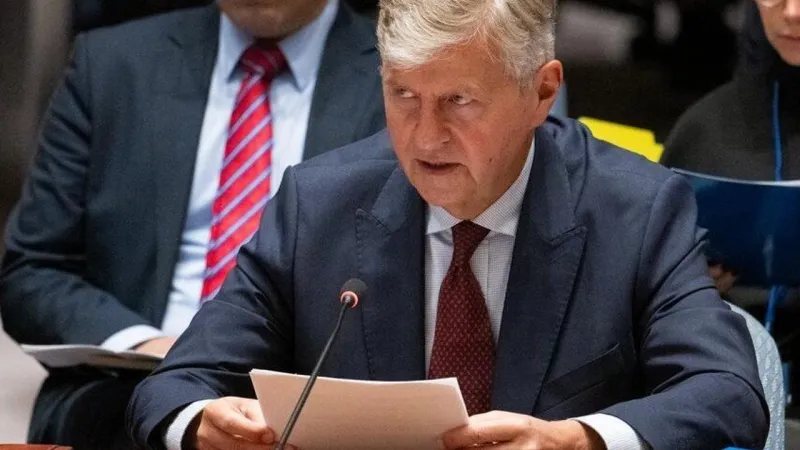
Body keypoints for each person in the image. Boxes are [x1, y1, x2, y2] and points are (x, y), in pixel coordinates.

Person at [128, 0, 768, 449]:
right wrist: (201, 421)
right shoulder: (317, 204)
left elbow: (728, 390)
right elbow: (175, 385)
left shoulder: (635, 209)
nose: (425, 137)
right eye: (403, 95)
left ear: (542, 93)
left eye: (459, 101)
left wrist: (579, 440)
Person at [0, 0, 385, 448]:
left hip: (312, 404)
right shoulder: (113, 63)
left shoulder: (403, 76)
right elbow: (34, 271)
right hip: (129, 393)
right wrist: (150, 346)